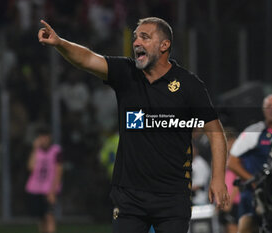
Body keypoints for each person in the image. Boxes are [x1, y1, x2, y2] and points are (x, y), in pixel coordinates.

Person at [37, 17, 229, 233]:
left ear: (164, 45)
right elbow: (88, 59)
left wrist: (219, 178)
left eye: (145, 37)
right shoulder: (126, 73)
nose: (136, 42)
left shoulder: (188, 85)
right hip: (130, 197)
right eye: (136, 37)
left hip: (172, 196)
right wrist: (60, 43)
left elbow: (215, 133)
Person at [227, 93, 272, 233]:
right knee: (247, 228)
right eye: (269, 106)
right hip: (253, 195)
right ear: (263, 110)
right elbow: (232, 162)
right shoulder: (253, 132)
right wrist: (254, 182)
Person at [25, 126, 63, 233]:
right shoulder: (36, 151)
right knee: (41, 219)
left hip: (49, 189)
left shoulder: (56, 151)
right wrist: (34, 149)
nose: (43, 140)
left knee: (49, 216)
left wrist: (53, 191)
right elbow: (31, 167)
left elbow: (58, 172)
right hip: (35, 189)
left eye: (45, 137)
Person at [219, 128, 240, 233]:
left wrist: (229, 203)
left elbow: (238, 182)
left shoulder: (238, 158)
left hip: (235, 203)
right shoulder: (224, 158)